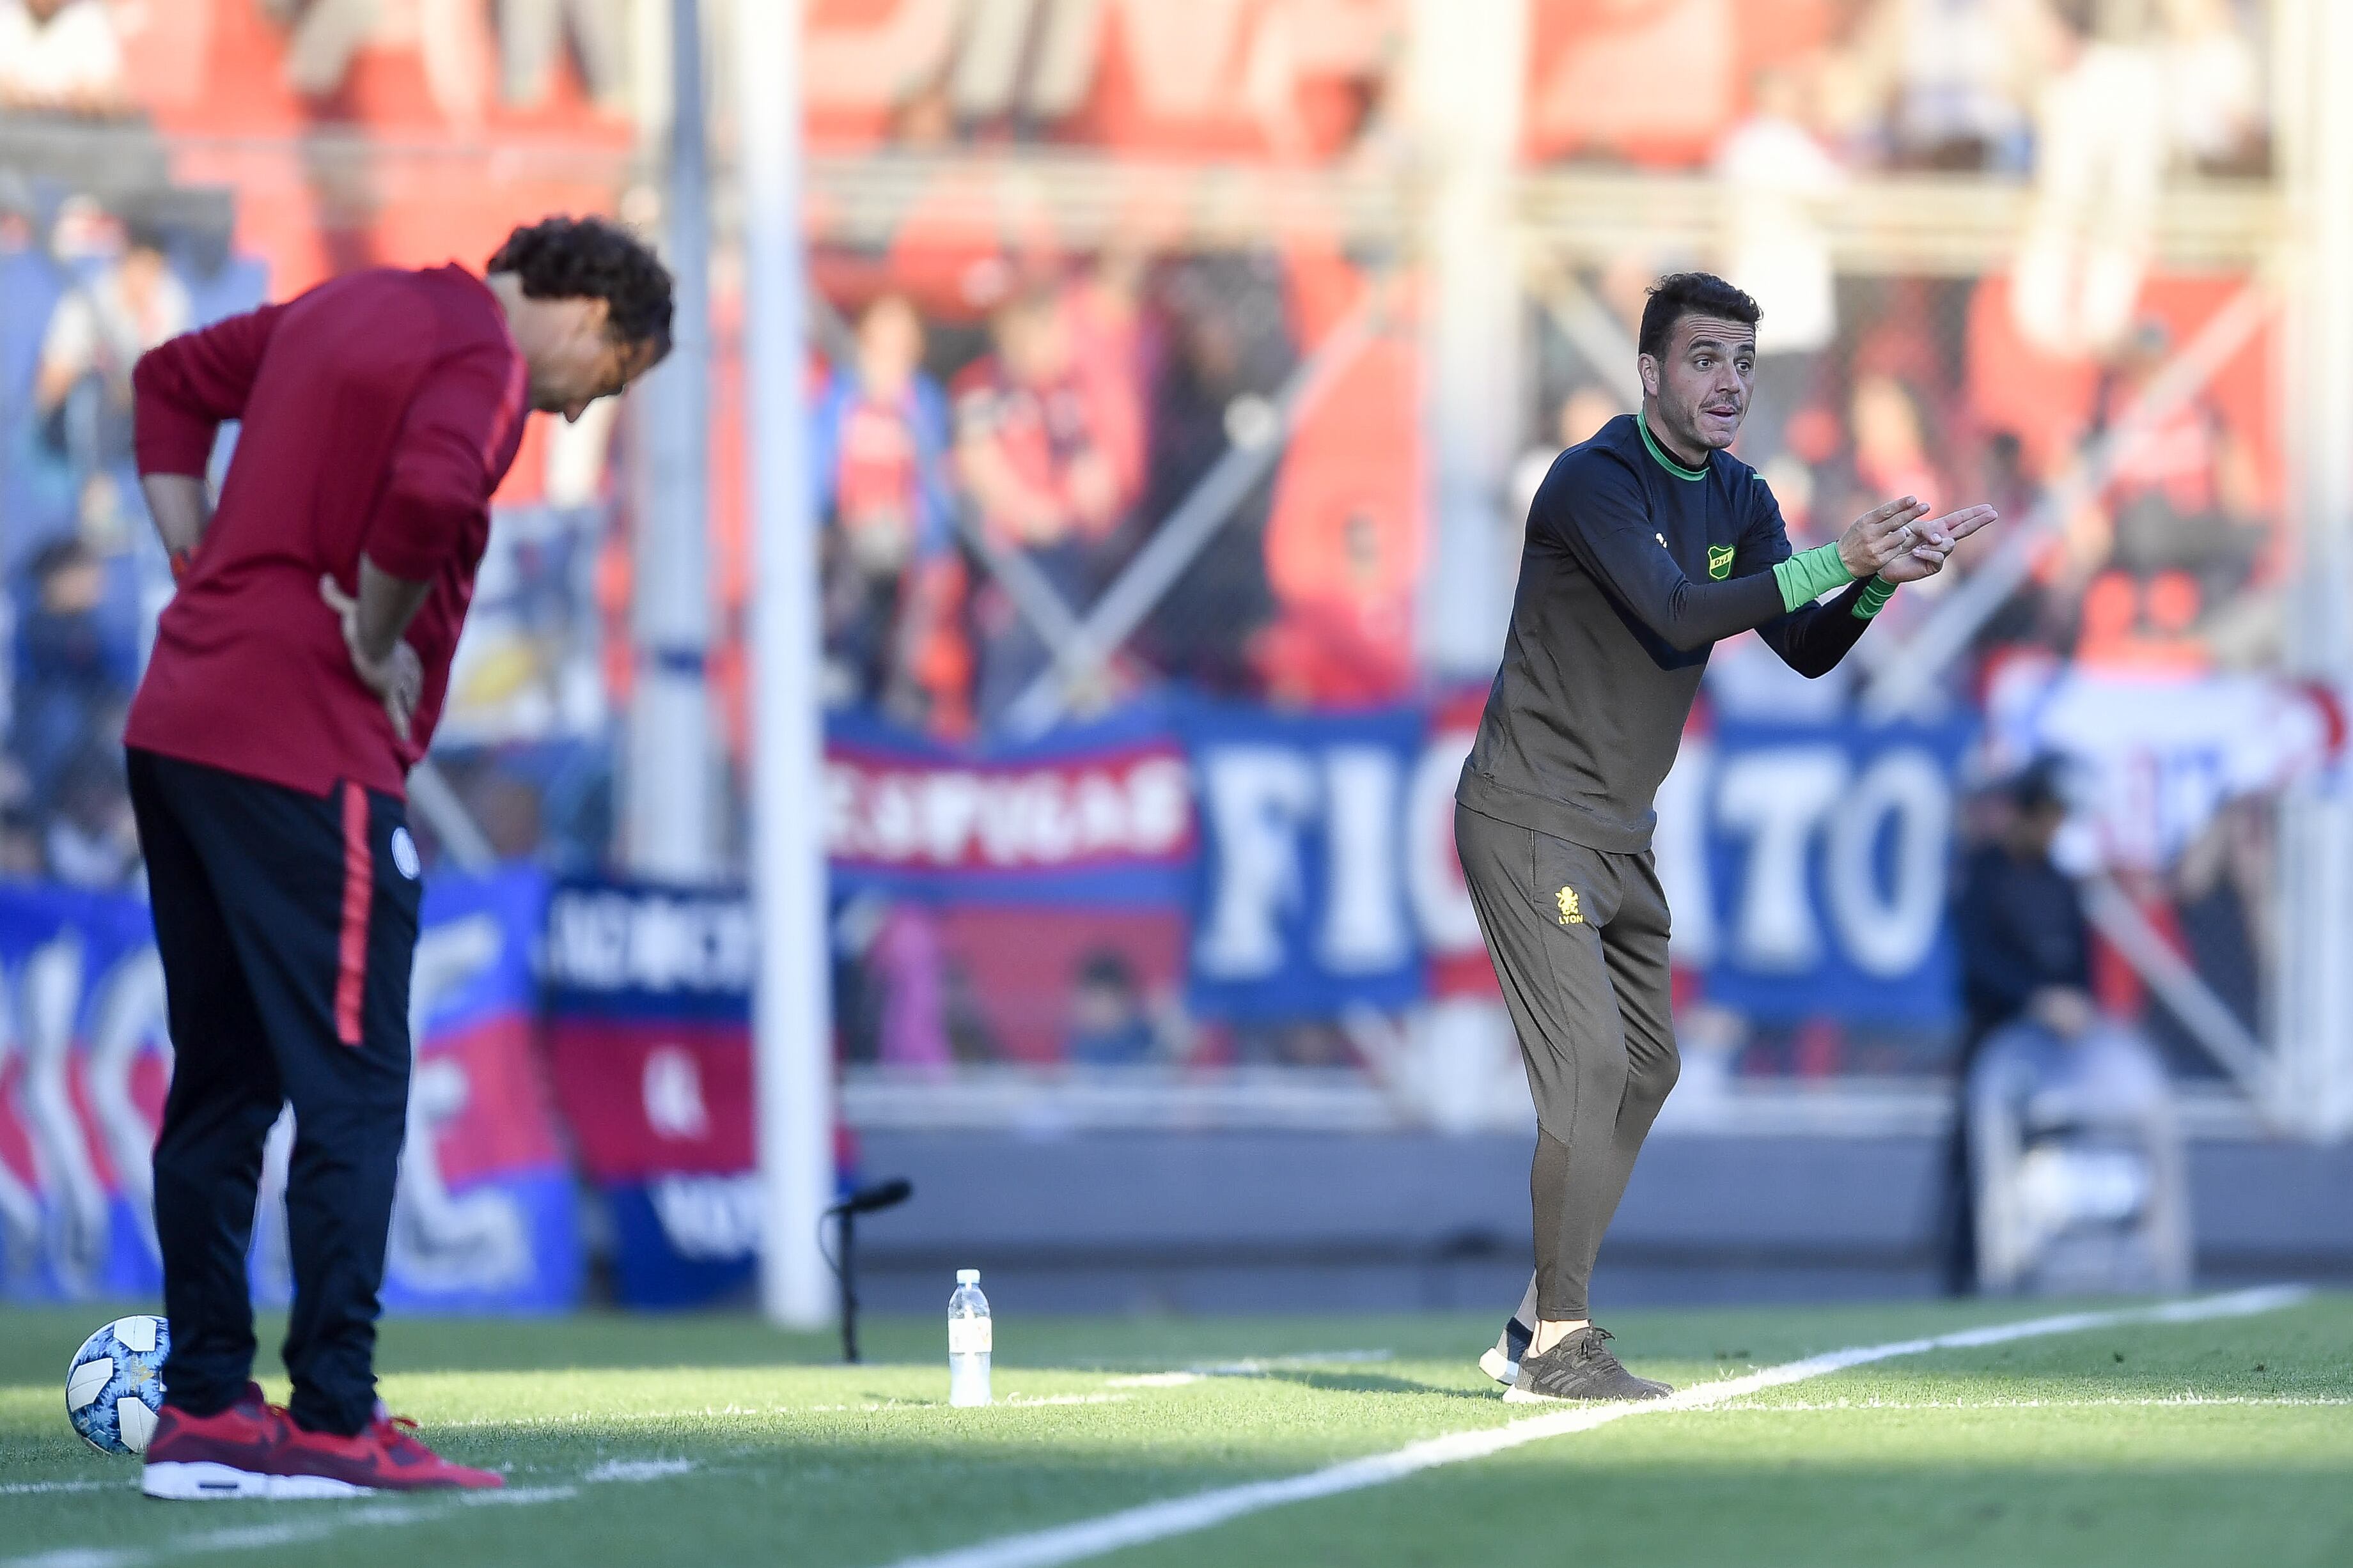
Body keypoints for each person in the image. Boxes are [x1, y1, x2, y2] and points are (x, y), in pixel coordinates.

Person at [126, 216, 671, 1498]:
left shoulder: (345, 306)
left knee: (223, 1082)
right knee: (355, 1084)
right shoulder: (480, 360)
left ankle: (203, 1399)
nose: (585, 414)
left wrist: (205, 568)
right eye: (613, 381)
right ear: (593, 317)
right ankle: (332, 1415)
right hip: (305, 750)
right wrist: (374, 637)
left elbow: (166, 382)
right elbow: (429, 497)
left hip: (183, 718)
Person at [1455, 272, 1998, 1402]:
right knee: (1592, 1063)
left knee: (1648, 1066)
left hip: (1619, 829)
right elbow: (1674, 611)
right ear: (1649, 370)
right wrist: (1834, 561)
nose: (1730, 382)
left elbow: (1800, 643)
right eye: (1705, 359)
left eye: (1744, 362)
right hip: (1528, 813)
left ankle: (1528, 1322)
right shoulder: (1592, 481)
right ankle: (1560, 1342)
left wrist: (1873, 587)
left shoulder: (1743, 493)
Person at [1942, 756, 2094, 1292]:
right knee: (1975, 1161)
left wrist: (2077, 1002)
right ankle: (1965, 1278)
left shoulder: (2060, 880)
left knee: (2056, 1155)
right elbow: (1979, 959)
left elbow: (2079, 960)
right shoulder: (1986, 871)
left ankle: (2049, 1272)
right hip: (1993, 1037)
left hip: (2054, 1050)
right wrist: (2035, 997)